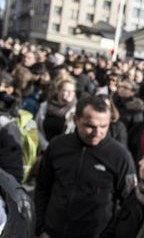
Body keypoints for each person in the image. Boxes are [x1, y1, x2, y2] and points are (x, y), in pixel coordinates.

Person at [34, 96, 137, 238]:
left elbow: (129, 204)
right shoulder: (57, 146)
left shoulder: (120, 156)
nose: (97, 132)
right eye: (90, 126)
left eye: (103, 126)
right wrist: (41, 228)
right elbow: (42, 188)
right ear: (76, 120)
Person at [35, 76, 77, 151]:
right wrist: (45, 145)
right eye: (66, 90)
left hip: (64, 151)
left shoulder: (75, 110)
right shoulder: (45, 106)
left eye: (72, 91)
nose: (70, 93)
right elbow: (36, 127)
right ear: (58, 91)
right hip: (44, 150)